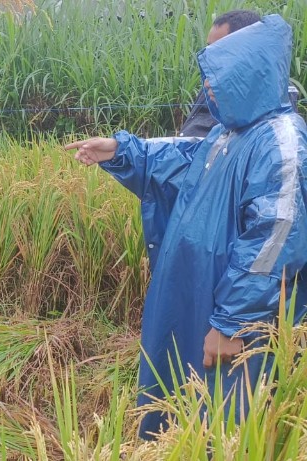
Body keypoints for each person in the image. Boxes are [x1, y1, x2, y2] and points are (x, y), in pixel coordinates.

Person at [65, 15, 307, 439]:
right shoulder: (228, 134)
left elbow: (274, 239)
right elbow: (178, 159)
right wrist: (123, 151)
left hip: (233, 321)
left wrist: (235, 323)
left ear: (251, 62)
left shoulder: (281, 141)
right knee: (178, 402)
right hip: (196, 298)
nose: (208, 79)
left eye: (220, 62)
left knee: (225, 422)